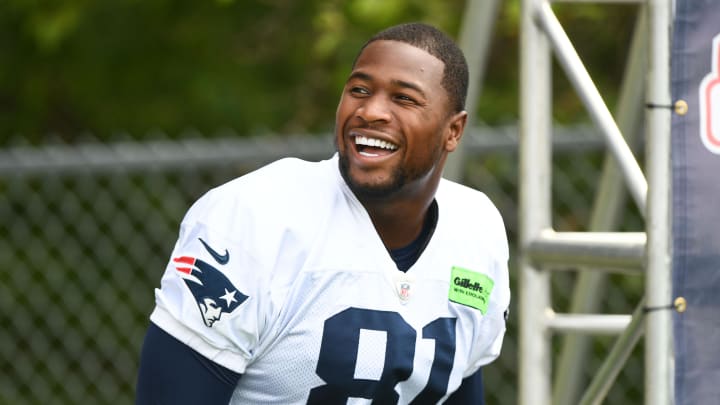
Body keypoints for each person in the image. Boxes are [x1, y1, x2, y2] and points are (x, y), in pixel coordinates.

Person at [136, 22, 510, 404]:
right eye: (359, 90)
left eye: (404, 98)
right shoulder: (254, 216)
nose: (371, 111)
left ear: (454, 131)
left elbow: (460, 388)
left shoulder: (476, 229)